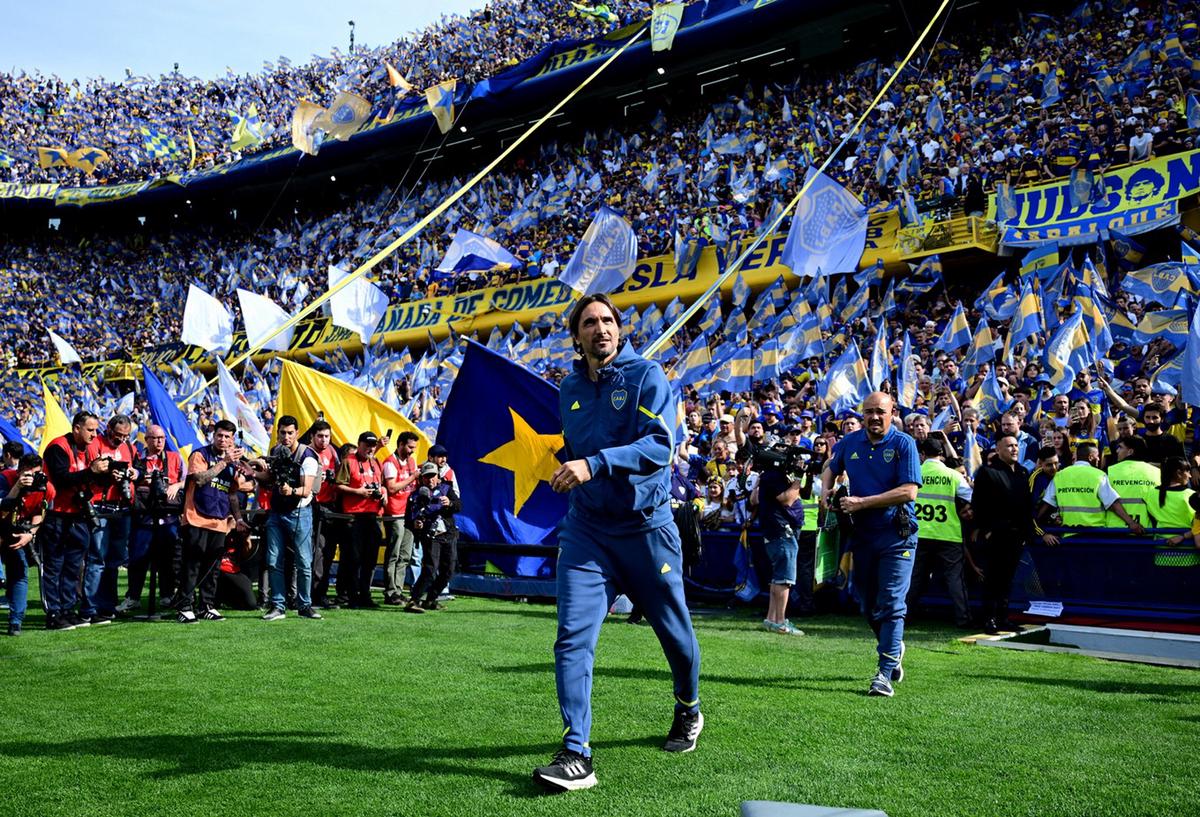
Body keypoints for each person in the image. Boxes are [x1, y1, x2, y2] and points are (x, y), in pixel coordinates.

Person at [532, 294, 702, 793]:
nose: (600, 328)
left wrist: (594, 464)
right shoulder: (568, 388)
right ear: (576, 335)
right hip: (587, 530)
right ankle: (576, 752)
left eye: (608, 320)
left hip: (647, 529)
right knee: (572, 636)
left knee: (676, 636)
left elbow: (659, 446)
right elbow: (578, 447)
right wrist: (568, 468)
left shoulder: (647, 376)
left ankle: (689, 706)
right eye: (590, 322)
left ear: (620, 330)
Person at [821, 391, 921, 698]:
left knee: (891, 602)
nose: (874, 417)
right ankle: (892, 648)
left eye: (880, 411)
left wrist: (862, 502)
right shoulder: (850, 442)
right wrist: (826, 490)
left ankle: (884, 673)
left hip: (897, 534)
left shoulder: (904, 444)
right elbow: (830, 465)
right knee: (866, 603)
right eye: (868, 412)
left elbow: (908, 492)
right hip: (862, 536)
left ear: (892, 413)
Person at [246, 415, 322, 621]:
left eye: (290, 433)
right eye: (282, 433)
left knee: (304, 561)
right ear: (277, 433)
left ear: (297, 433)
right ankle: (278, 606)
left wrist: (291, 490)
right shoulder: (276, 452)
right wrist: (252, 472)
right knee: (273, 559)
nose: (286, 437)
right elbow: (270, 478)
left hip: (300, 512)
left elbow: (307, 490)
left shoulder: (308, 456)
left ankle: (305, 605)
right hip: (277, 512)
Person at [41, 411, 108, 631]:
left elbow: (91, 480)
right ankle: (53, 613)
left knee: (73, 566)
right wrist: (91, 471)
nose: (94, 434)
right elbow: (61, 480)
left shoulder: (89, 449)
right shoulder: (57, 447)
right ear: (76, 428)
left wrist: (107, 475)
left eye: (96, 430)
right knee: (55, 565)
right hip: (57, 514)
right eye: (90, 430)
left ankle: (68, 611)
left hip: (78, 515)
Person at [176, 420, 248, 623]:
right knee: (192, 564)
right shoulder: (200, 454)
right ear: (213, 436)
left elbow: (232, 494)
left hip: (219, 521)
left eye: (227, 437)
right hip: (196, 518)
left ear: (232, 439)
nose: (223, 439)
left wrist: (239, 518)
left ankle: (206, 605)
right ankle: (184, 606)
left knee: (212, 567)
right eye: (220, 435)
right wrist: (223, 462)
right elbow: (199, 479)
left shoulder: (233, 464)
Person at [119, 424, 186, 614]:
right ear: (146, 439)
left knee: (168, 558)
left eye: (162, 438)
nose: (158, 442)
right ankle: (133, 597)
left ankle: (166, 595)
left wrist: (176, 486)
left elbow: (187, 479)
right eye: (154, 438)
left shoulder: (174, 458)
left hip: (168, 515)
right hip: (143, 516)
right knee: (138, 558)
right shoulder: (136, 459)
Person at [907, 437, 973, 629]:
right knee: (955, 579)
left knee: (914, 578)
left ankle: (904, 617)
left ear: (922, 454)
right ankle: (964, 619)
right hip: (948, 534)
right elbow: (970, 497)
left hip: (919, 533)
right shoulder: (953, 475)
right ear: (941, 454)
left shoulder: (915, 472)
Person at [82, 414, 139, 625]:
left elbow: (137, 469)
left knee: (114, 561)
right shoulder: (95, 444)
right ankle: (90, 607)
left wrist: (133, 474)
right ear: (108, 430)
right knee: (97, 558)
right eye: (118, 435)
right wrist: (107, 475)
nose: (121, 439)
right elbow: (88, 471)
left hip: (121, 507)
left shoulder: (129, 448)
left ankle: (107, 605)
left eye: (125, 436)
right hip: (99, 505)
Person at [749, 450, 806, 636]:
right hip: (781, 530)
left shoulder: (767, 476)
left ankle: (771, 619)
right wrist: (798, 478)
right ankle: (780, 622)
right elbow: (788, 499)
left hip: (773, 530)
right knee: (785, 579)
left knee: (777, 577)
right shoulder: (773, 476)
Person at [1040, 442, 1145, 538]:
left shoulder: (1059, 476)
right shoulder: (1098, 475)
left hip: (1069, 536)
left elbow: (1046, 505)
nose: (1099, 459)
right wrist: (1131, 523)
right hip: (1095, 536)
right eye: (1097, 456)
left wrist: (1038, 529)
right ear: (1090, 457)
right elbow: (1113, 504)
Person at [335, 431, 386, 608]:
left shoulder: (375, 462)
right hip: (353, 516)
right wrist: (358, 492)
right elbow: (338, 485)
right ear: (360, 444)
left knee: (370, 559)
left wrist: (382, 492)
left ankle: (365, 594)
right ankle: (351, 596)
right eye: (367, 445)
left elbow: (381, 484)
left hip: (373, 515)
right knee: (353, 559)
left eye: (373, 445)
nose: (370, 448)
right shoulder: (348, 461)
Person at [2, 454, 50, 636]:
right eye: (29, 474)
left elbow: (40, 510)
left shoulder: (44, 485)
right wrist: (17, 486)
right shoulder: (5, 478)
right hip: (2, 526)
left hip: (19, 531)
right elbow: (2, 506)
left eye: (37, 473)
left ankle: (16, 621)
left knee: (20, 573)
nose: (33, 478)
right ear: (20, 470)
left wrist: (30, 534)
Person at [403, 462, 461, 612]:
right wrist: (416, 524)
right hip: (430, 536)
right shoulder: (415, 496)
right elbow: (409, 519)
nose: (430, 480)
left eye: (432, 476)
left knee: (449, 570)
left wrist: (450, 503)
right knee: (430, 568)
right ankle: (414, 600)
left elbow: (458, 506)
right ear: (421, 478)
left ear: (438, 476)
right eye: (426, 476)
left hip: (448, 534)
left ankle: (431, 599)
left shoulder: (446, 489)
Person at [382, 431, 420, 604]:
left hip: (409, 513)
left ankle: (398, 589)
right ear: (401, 444)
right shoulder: (390, 463)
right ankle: (390, 591)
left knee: (405, 555)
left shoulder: (411, 461)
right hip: (395, 513)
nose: (412, 451)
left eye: (414, 448)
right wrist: (412, 477)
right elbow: (391, 488)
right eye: (410, 447)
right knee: (393, 553)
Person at [308, 421, 342, 608]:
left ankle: (321, 594)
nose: (324, 440)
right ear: (312, 436)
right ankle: (311, 595)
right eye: (320, 436)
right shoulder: (306, 453)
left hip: (329, 507)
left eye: (327, 436)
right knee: (316, 551)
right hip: (310, 505)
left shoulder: (331, 452)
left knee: (327, 551)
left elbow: (339, 477)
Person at [1149, 457, 1198, 567]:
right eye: (1188, 471)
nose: (1190, 475)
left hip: (1161, 555)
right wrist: (1183, 536)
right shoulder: (1190, 495)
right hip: (1189, 556)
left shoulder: (1150, 494)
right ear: (1179, 473)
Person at [1104, 436, 1160, 531]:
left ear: (1130, 451)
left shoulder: (1110, 470)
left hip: (1115, 529)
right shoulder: (1156, 472)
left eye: (1120, 447)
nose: (1117, 451)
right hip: (1146, 529)